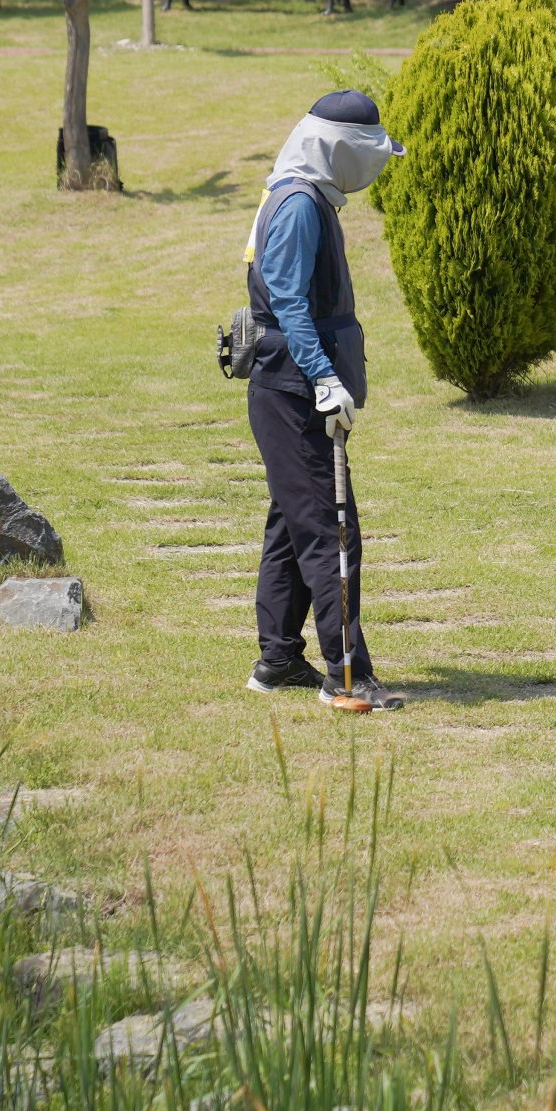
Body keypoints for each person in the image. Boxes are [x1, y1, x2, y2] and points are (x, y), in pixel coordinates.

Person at [242, 90, 408, 709]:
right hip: (294, 390)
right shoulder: (299, 206)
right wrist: (324, 379)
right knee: (331, 532)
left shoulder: (307, 195)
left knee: (293, 523)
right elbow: (288, 303)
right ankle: (347, 674)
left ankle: (278, 660)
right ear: (338, 149)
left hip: (292, 387)